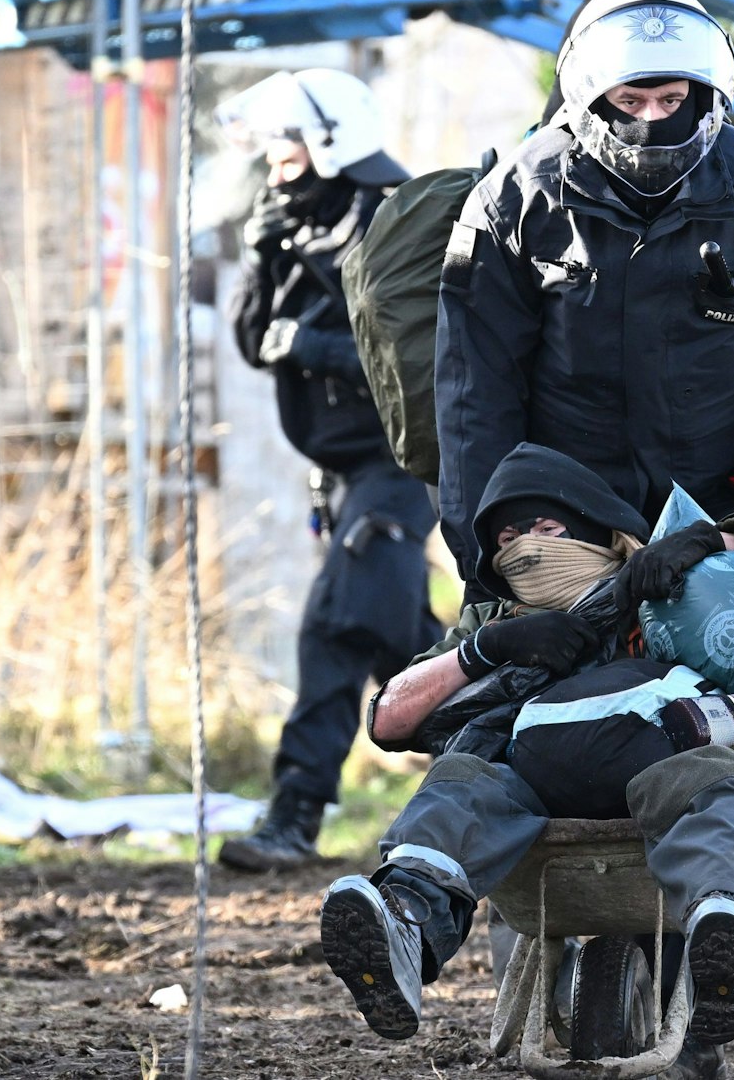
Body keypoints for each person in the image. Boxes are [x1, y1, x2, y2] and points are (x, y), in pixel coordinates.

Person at [323, 442, 734, 1079]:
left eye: (547, 527)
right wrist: (486, 649)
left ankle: (725, 931)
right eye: (506, 537)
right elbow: (389, 720)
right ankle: (405, 923)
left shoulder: (675, 587)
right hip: (535, 798)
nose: (525, 545)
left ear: (600, 529)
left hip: (667, 768)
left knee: (716, 785)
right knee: (459, 783)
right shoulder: (495, 617)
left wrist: (710, 544)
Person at [436, 0, 734, 603]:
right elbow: (473, 399)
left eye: (672, 98)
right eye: (631, 99)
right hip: (563, 522)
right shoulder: (515, 204)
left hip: (724, 520)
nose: (652, 119)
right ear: (591, 95)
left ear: (705, 93)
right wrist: (485, 568)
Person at [215, 68, 440, 872]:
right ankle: (504, 758)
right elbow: (251, 340)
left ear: (333, 139)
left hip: (400, 464)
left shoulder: (393, 219)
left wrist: (314, 348)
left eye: (291, 139)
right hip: (340, 475)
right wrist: (258, 251)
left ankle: (295, 815)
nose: (277, 156)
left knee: (335, 623)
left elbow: (426, 356)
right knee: (405, 642)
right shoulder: (289, 224)